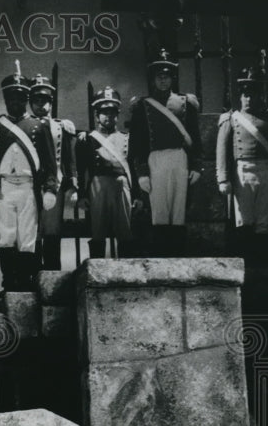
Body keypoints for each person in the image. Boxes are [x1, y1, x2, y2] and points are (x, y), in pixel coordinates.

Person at [0, 60, 57, 293]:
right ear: (5, 100)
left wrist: (50, 188)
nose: (15, 102)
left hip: (28, 187)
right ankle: (9, 281)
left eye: (19, 98)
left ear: (26, 99)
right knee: (6, 236)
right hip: (4, 187)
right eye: (11, 98)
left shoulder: (38, 126)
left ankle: (26, 280)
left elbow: (49, 162)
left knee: (27, 237)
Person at [128, 48, 203, 256]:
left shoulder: (186, 102)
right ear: (153, 79)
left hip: (179, 157)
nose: (163, 80)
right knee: (159, 211)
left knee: (179, 210)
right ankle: (162, 257)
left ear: (172, 78)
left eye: (166, 76)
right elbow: (137, 143)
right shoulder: (142, 106)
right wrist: (142, 172)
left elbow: (195, 137)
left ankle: (178, 255)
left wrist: (196, 165)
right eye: (159, 77)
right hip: (156, 159)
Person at [216, 67, 268, 263]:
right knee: (244, 220)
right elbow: (221, 151)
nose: (249, 99)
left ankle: (262, 263)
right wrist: (223, 178)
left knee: (264, 220)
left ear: (259, 95)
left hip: (266, 171)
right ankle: (245, 263)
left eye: (253, 94)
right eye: (246, 94)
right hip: (242, 173)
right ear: (240, 96)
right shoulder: (231, 119)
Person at [76, 87, 135, 259]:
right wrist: (81, 194)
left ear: (117, 115)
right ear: (97, 115)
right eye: (104, 112)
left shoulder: (126, 138)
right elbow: (81, 170)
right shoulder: (88, 139)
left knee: (125, 230)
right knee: (98, 231)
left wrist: (137, 194)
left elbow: (133, 168)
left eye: (112, 112)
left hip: (122, 184)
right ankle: (97, 272)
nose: (108, 116)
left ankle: (126, 274)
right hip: (98, 186)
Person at [29, 74, 78, 270]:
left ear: (51, 102)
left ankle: (52, 277)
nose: (41, 105)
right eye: (36, 101)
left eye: (45, 101)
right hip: (29, 187)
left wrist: (73, 185)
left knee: (52, 232)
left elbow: (69, 158)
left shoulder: (61, 126)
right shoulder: (24, 126)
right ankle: (32, 276)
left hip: (54, 186)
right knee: (31, 233)